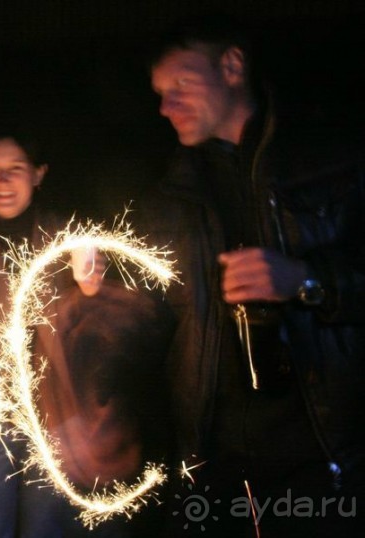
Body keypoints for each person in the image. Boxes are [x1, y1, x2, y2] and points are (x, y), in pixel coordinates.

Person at [140, 14, 365, 536]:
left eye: (181, 85)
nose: (165, 106)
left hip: (323, 459)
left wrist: (308, 281)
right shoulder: (168, 200)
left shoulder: (332, 158)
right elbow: (151, 327)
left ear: (233, 66)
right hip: (216, 467)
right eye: (158, 92)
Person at [0, 132, 126, 537]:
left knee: (46, 521)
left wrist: (91, 286)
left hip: (58, 410)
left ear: (38, 175)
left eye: (15, 170)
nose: (2, 182)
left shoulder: (68, 240)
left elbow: (106, 328)